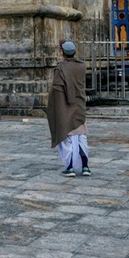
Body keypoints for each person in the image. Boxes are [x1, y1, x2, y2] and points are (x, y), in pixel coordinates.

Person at [45, 41, 90, 177]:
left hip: (65, 104)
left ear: (62, 52)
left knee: (67, 136)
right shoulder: (82, 66)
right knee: (81, 136)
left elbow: (57, 89)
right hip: (79, 104)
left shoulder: (60, 68)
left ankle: (69, 167)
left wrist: (55, 107)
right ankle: (85, 166)